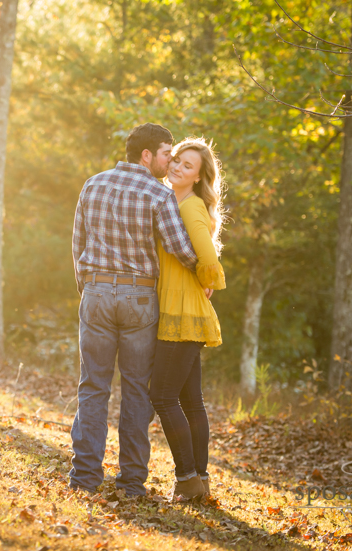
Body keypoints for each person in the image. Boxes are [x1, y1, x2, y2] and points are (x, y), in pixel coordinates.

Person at [69, 123, 198, 498]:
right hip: (140, 298)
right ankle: (130, 484)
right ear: (146, 155)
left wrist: (90, 288)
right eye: (165, 154)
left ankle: (84, 479)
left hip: (95, 292)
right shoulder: (159, 194)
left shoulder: (92, 184)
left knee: (93, 387)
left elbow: (78, 243)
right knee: (137, 390)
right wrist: (205, 269)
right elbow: (182, 249)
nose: (169, 161)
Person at [149, 137, 226, 502]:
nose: (178, 168)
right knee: (191, 400)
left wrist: (207, 282)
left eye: (187, 166)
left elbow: (208, 258)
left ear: (197, 178)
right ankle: (200, 481)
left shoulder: (190, 206)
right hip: (180, 308)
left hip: (183, 311)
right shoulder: (171, 200)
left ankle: (186, 479)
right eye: (177, 160)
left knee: (162, 396)